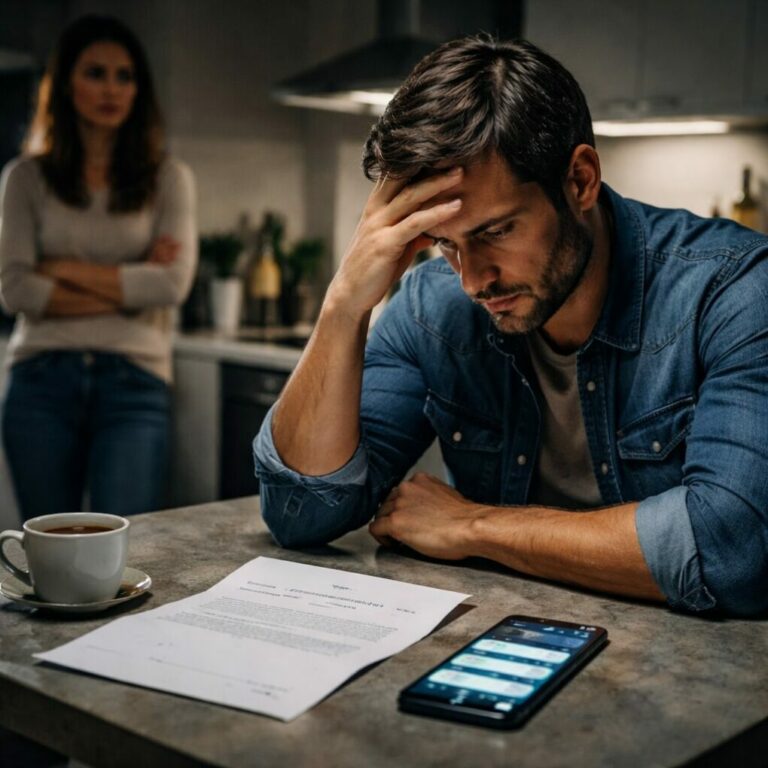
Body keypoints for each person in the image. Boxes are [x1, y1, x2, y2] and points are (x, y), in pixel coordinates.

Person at [254, 36, 768, 617]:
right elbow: (301, 512)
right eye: (447, 244)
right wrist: (344, 305)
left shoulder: (735, 290)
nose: (473, 281)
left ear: (579, 181)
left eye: (495, 231)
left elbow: (733, 552)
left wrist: (475, 525)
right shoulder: (431, 307)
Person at [0, 15, 197, 520]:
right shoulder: (24, 178)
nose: (111, 88)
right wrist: (131, 283)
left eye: (123, 76)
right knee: (49, 551)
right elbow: (17, 291)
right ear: (65, 83)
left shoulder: (168, 179)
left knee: (129, 547)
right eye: (95, 73)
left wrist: (58, 267)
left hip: (134, 381)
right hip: (40, 380)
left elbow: (170, 285)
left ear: (139, 90)